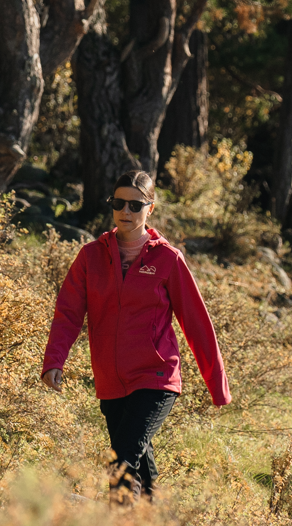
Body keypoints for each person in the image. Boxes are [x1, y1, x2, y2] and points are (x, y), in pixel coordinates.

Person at [40, 170, 231, 502]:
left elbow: (196, 323)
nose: (125, 212)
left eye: (135, 205)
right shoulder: (90, 256)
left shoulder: (168, 259)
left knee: (122, 459)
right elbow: (68, 313)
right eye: (118, 203)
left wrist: (217, 386)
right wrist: (54, 360)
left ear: (150, 208)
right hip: (111, 380)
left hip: (156, 378)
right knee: (138, 464)